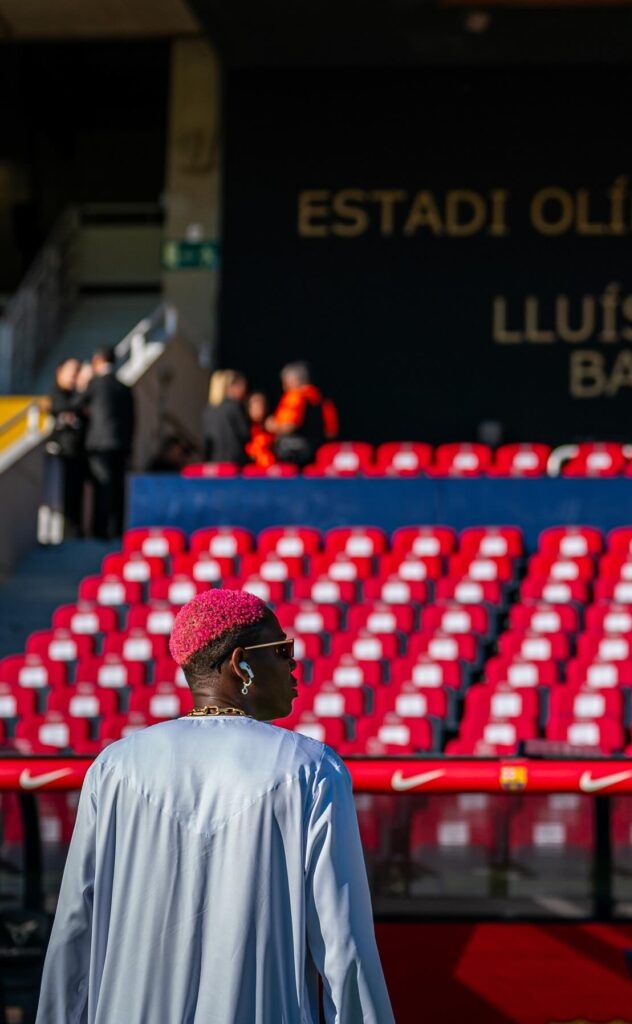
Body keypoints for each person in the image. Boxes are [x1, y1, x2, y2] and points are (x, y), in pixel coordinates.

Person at [36, 589, 394, 1024]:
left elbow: (74, 930)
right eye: (283, 650)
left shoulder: (114, 766)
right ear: (241, 663)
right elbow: (345, 945)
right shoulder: (310, 768)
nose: (294, 665)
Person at [76, 346, 134, 539]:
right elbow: (133, 419)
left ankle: (101, 532)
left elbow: (76, 404)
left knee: (103, 487)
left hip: (99, 444)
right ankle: (117, 530)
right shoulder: (124, 387)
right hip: (121, 444)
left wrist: (83, 382)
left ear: (98, 360)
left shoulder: (96, 384)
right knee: (118, 489)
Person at [41, 358, 85, 540]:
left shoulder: (76, 395)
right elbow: (61, 410)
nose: (74, 377)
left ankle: (72, 532)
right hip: (59, 454)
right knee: (55, 500)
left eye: (77, 372)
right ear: (59, 371)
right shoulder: (55, 394)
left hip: (76, 454)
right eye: (71, 372)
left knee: (74, 499)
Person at [265, 361, 339, 467]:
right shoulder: (323, 400)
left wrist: (271, 426)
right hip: (319, 453)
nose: (284, 385)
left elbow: (289, 427)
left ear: (295, 380)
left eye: (285, 381)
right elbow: (331, 433)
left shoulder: (295, 397)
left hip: (295, 452)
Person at [202, 369, 250, 464]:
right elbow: (245, 433)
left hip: (213, 461)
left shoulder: (207, 410)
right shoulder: (234, 407)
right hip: (234, 462)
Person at [245, 390, 276, 468]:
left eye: (260, 405)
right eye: (254, 405)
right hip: (250, 471)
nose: (258, 409)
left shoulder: (272, 426)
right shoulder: (244, 427)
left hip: (271, 470)